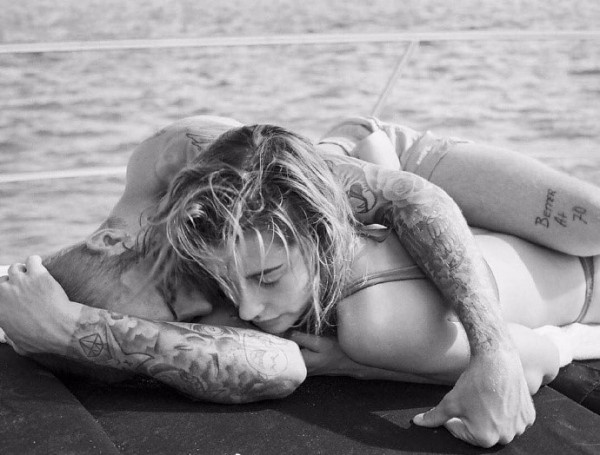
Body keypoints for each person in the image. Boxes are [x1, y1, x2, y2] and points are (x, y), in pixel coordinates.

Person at [4, 114, 598, 446]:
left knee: (591, 223)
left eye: (174, 288)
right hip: (337, 235)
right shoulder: (233, 266)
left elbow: (408, 197)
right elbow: (274, 362)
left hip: (380, 171)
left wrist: (489, 350)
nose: (235, 312)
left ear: (121, 241)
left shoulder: (183, 159)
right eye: (196, 316)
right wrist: (66, 331)